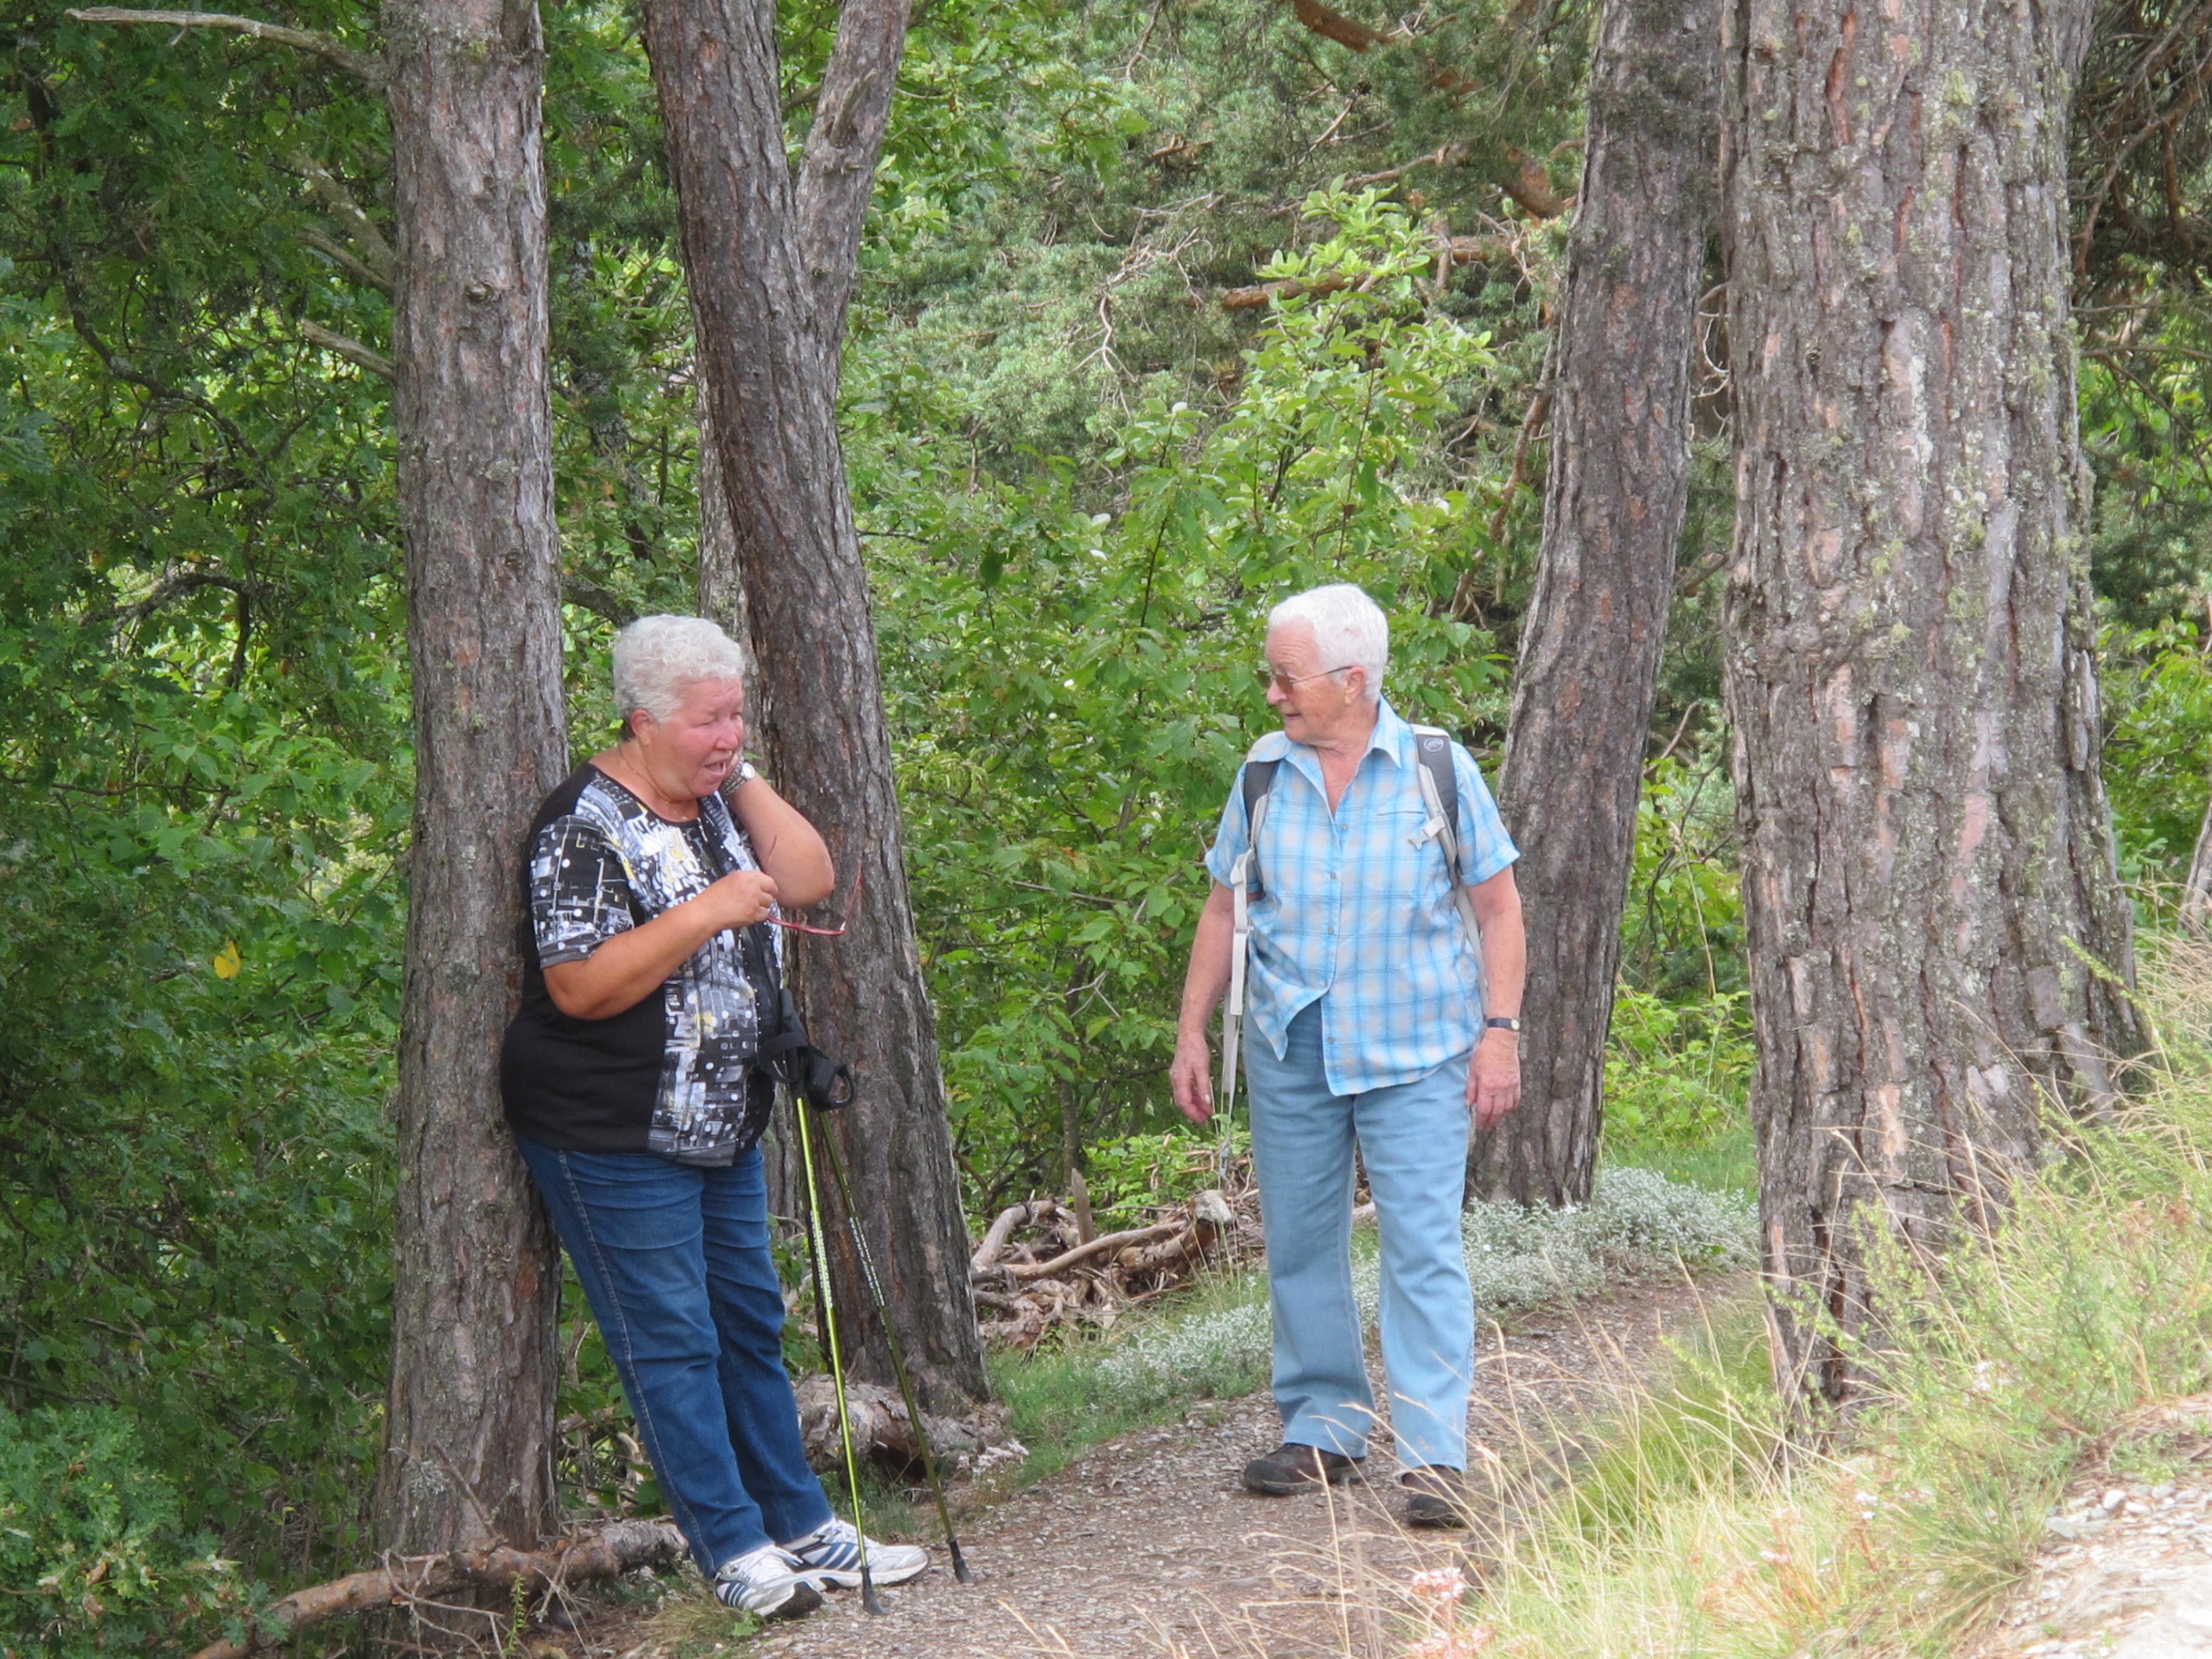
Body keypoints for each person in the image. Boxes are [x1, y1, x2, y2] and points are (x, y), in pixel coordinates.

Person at [500, 614, 925, 1619]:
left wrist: (735, 774)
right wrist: (706, 911)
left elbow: (810, 877)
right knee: (673, 1339)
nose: (729, 734)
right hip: (612, 1126)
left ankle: (801, 1524)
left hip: (725, 1120)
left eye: (736, 715)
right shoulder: (582, 825)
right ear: (642, 720)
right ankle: (732, 1547)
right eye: (708, 721)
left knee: (748, 1322)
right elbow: (579, 986)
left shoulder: (715, 801)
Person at [1168, 584, 1526, 1528]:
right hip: (1291, 1045)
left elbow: (1499, 910)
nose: (1273, 694)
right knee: (1299, 1242)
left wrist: (1500, 1034)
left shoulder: (1437, 769)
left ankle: (1435, 1454)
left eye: (1287, 677)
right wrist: (1192, 1031)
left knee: (1422, 1247)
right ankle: (1324, 1427)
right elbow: (1224, 908)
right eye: (1272, 676)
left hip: (1419, 1051)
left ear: (1353, 679)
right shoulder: (1262, 773)